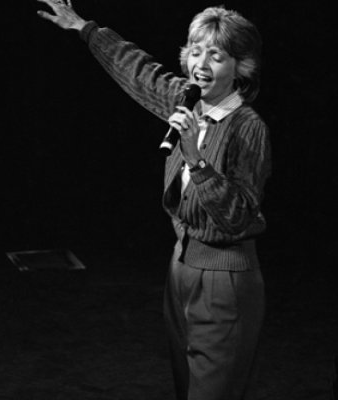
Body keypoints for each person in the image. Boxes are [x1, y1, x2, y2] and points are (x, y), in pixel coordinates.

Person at [36, 1, 272, 399]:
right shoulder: (187, 101)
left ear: (241, 67)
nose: (201, 63)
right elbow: (138, 69)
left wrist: (195, 158)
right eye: (195, 51)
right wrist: (83, 27)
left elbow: (236, 214)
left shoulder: (248, 128)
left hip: (224, 281)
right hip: (180, 271)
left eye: (215, 55)